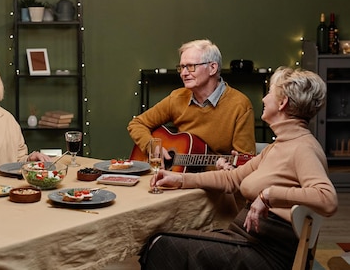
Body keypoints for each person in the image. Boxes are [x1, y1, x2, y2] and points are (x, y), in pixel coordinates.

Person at [139, 67, 338, 269]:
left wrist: (268, 195)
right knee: (161, 238)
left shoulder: (303, 147)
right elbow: (232, 179)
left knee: (162, 244)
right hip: (246, 239)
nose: (263, 99)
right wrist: (180, 180)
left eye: (269, 93)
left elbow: (327, 198)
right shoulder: (277, 147)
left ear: (282, 102)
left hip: (266, 252)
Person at [128, 39, 256, 167]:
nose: (184, 73)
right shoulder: (177, 98)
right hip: (175, 178)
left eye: (190, 66)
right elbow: (137, 123)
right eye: (182, 67)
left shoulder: (240, 105)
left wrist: (222, 170)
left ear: (212, 68)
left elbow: (246, 165)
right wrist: (153, 147)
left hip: (213, 182)